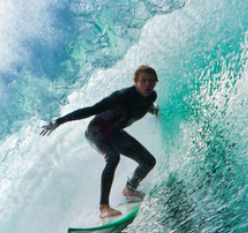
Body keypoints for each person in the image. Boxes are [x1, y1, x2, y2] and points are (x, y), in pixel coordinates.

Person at [41, 65, 160, 218]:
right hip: (97, 131)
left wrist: (153, 110)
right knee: (113, 157)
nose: (147, 84)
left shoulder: (151, 96)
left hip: (115, 133)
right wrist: (58, 121)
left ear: (156, 83)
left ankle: (130, 189)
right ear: (135, 82)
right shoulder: (121, 96)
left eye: (151, 81)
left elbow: (142, 105)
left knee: (148, 161)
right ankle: (104, 207)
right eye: (143, 81)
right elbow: (92, 109)